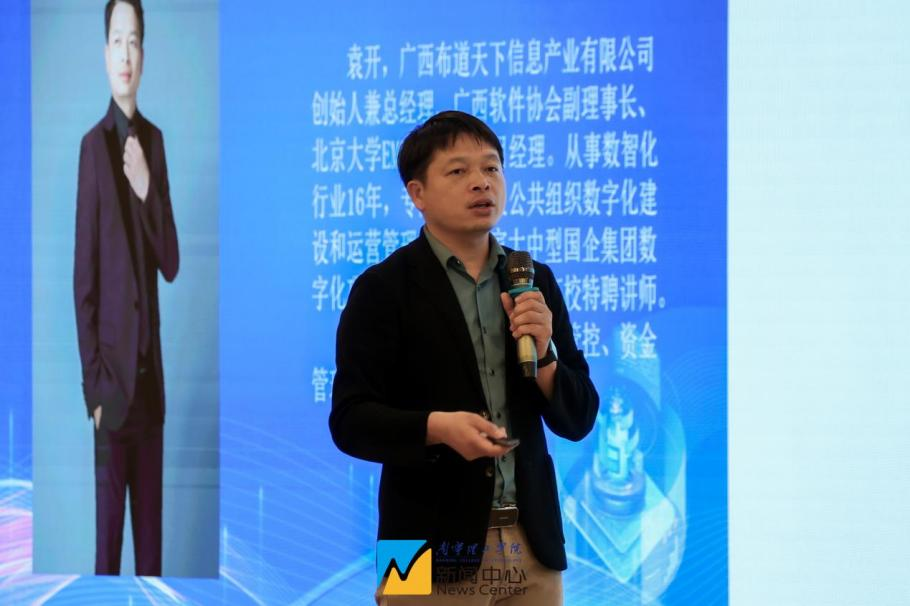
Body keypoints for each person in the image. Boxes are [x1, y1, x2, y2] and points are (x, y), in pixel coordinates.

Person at [329, 111, 599, 604]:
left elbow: (579, 418)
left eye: (491, 168)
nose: (481, 182)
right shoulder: (382, 288)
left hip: (532, 544)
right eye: (458, 171)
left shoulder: (532, 278)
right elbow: (349, 421)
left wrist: (544, 358)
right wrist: (437, 427)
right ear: (417, 194)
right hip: (416, 546)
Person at [73, 0, 179, 576]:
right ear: (104, 53)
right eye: (117, 40)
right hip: (110, 396)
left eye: (134, 40)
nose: (126, 53)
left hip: (151, 393)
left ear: (144, 53)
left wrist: (145, 190)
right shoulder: (92, 148)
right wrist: (93, 387)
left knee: (153, 562)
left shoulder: (155, 144)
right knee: (106, 559)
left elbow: (171, 262)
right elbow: (83, 281)